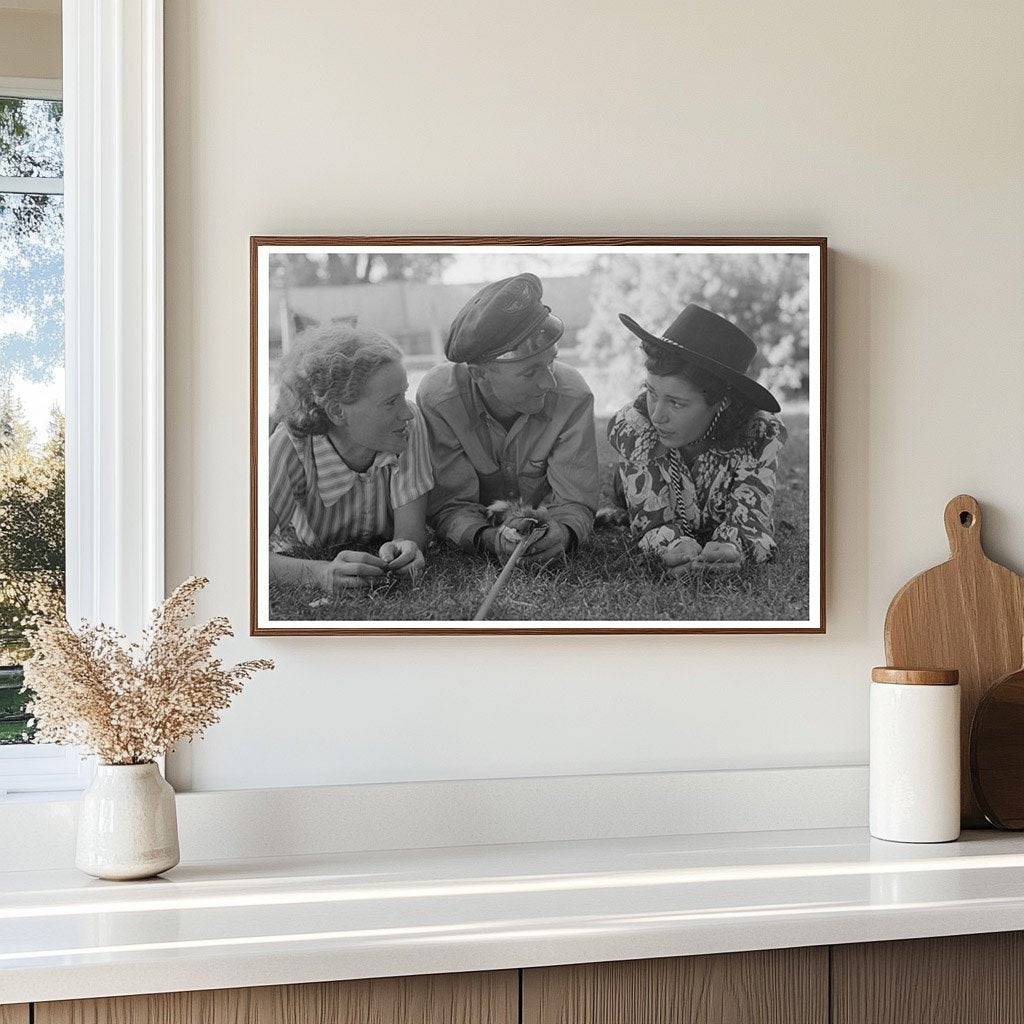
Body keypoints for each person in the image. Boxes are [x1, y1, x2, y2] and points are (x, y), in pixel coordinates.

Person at [417, 273, 599, 565]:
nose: (549, 383)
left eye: (551, 361)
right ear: (479, 374)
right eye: (529, 372)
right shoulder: (440, 400)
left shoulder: (573, 395)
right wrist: (489, 540)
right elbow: (449, 505)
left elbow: (575, 501)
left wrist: (562, 534)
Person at [608, 303, 788, 574]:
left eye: (676, 403)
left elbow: (751, 525)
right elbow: (651, 525)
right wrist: (669, 548)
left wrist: (733, 551)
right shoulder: (635, 425)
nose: (657, 415)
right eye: (652, 392)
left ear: (722, 403)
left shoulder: (759, 433)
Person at [268, 324, 434, 596]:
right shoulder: (290, 446)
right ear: (336, 411)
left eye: (403, 394)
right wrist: (320, 573)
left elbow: (410, 534)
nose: (408, 413)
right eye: (391, 401)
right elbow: (243, 556)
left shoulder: (407, 429)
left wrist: (407, 548)